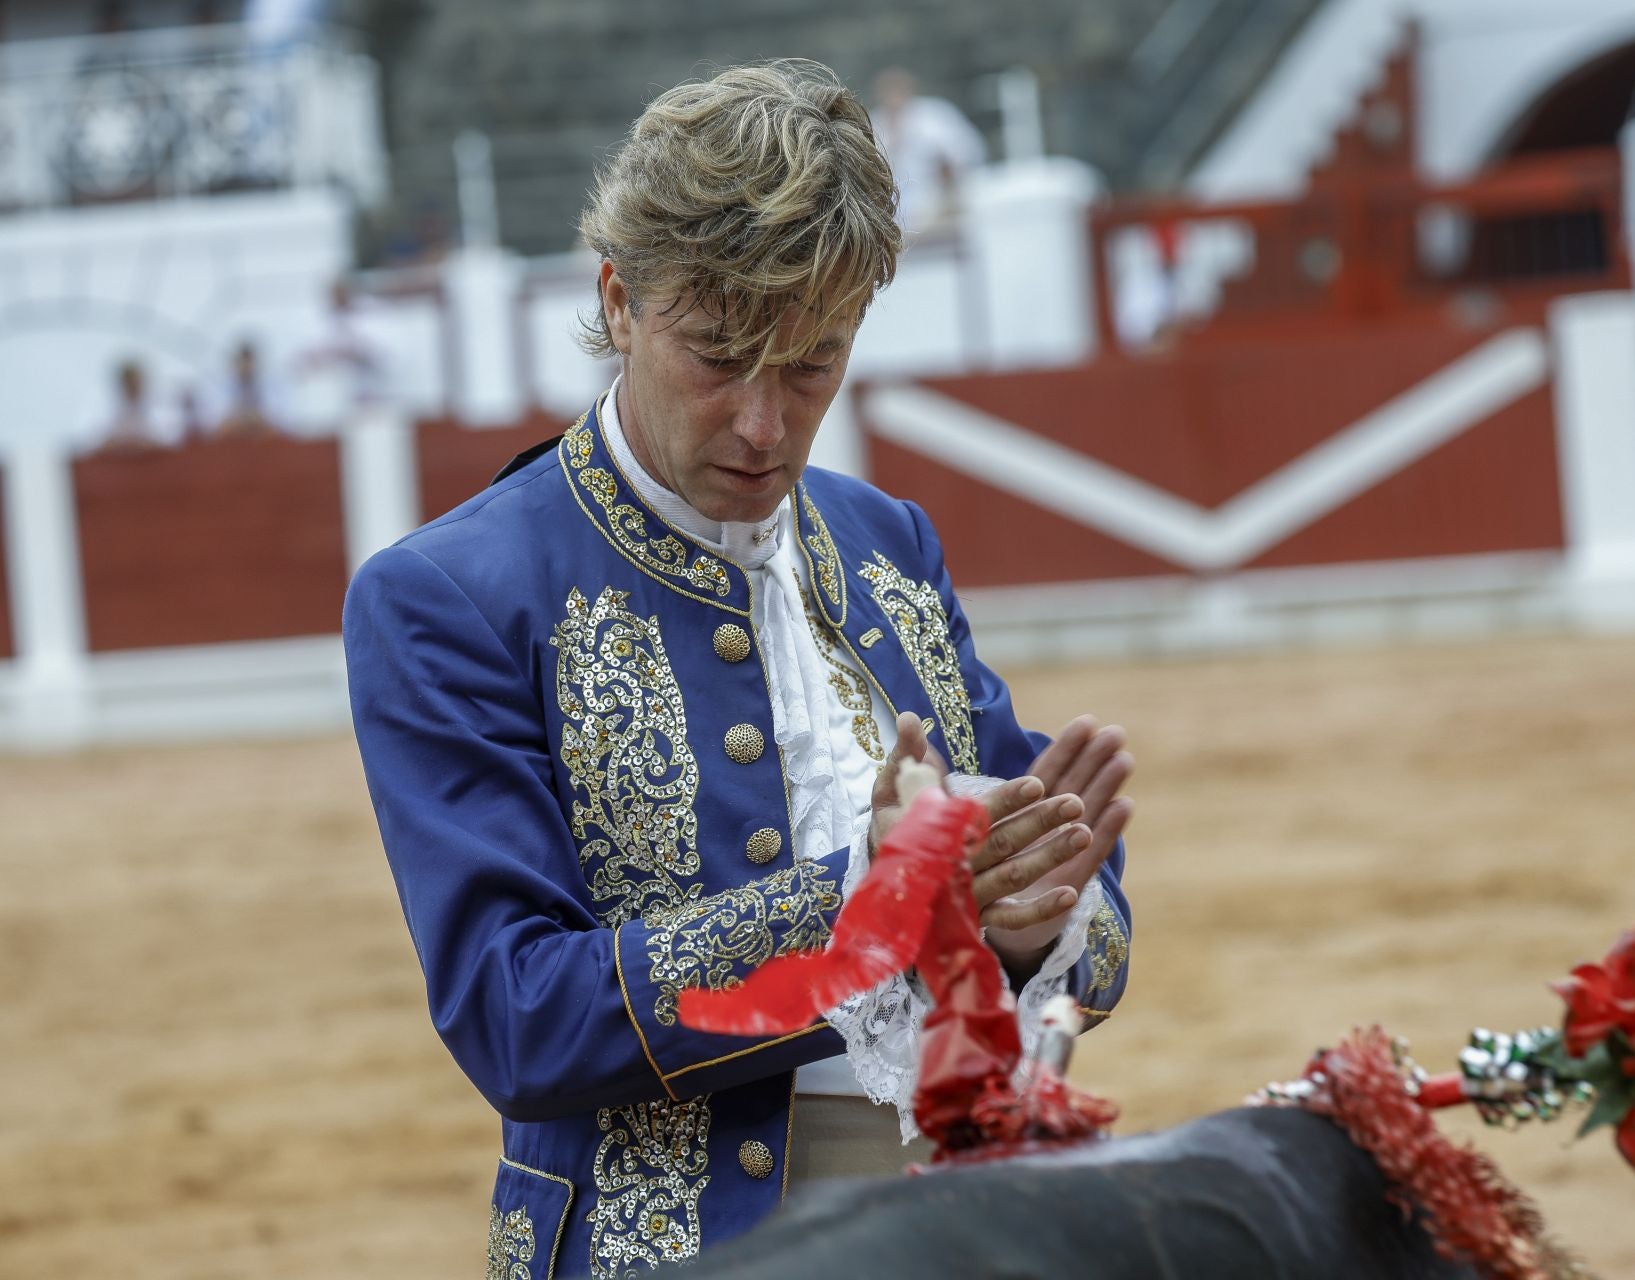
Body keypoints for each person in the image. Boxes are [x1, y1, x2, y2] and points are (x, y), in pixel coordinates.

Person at [342, 60, 1134, 1275]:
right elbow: (518, 1014)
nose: (765, 424)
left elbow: (1051, 869)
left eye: (812, 363)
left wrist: (1029, 920)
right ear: (618, 302)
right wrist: (860, 906)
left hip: (964, 1224)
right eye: (717, 356)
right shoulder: (450, 596)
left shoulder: (885, 542)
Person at [871, 67, 987, 235]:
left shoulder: (934, 116)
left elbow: (968, 152)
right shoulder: (876, 123)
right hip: (897, 215)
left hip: (941, 208)